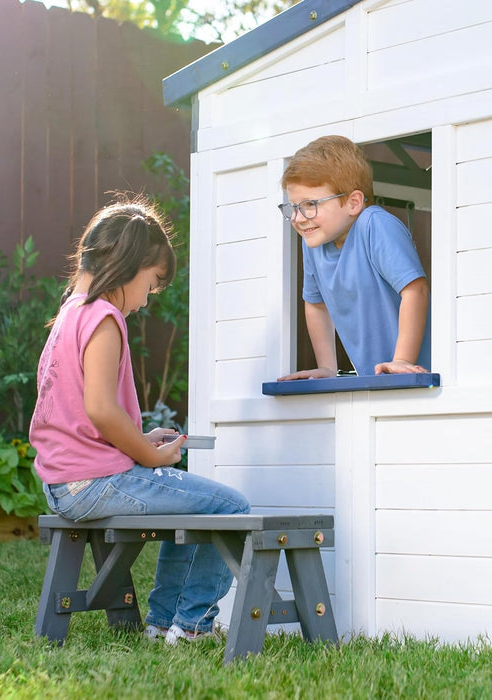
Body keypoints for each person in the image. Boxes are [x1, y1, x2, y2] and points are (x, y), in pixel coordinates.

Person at [29, 194, 250, 646]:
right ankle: (190, 628)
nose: (148, 299)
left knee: (190, 504)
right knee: (231, 509)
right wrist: (149, 453)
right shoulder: (104, 318)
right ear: (128, 265)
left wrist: (138, 438)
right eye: (151, 284)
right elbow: (101, 410)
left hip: (63, 483)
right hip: (94, 481)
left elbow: (81, 417)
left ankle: (158, 625)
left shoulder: (69, 315)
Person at [276, 135, 431, 381]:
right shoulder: (314, 242)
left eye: (309, 205)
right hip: (377, 378)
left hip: (421, 373)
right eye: (293, 207)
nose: (298, 217)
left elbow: (416, 290)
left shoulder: (374, 225)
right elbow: (315, 305)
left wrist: (402, 360)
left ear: (353, 202)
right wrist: (328, 367)